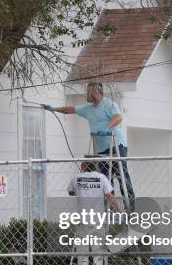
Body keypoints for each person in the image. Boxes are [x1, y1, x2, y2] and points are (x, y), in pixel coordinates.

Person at [45, 82, 135, 211]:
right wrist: (54, 109)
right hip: (101, 149)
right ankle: (109, 210)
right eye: (90, 94)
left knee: (122, 176)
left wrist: (107, 128)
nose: (92, 96)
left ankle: (130, 210)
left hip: (116, 145)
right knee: (104, 180)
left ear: (99, 92)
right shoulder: (87, 108)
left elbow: (118, 117)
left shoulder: (108, 104)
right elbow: (70, 109)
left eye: (94, 94)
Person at [67, 162, 120, 265]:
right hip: (98, 220)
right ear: (94, 167)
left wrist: (81, 189)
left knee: (82, 252)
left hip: (83, 220)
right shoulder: (101, 178)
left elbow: (70, 192)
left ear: (84, 166)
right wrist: (118, 210)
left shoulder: (76, 178)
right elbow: (109, 195)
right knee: (98, 251)